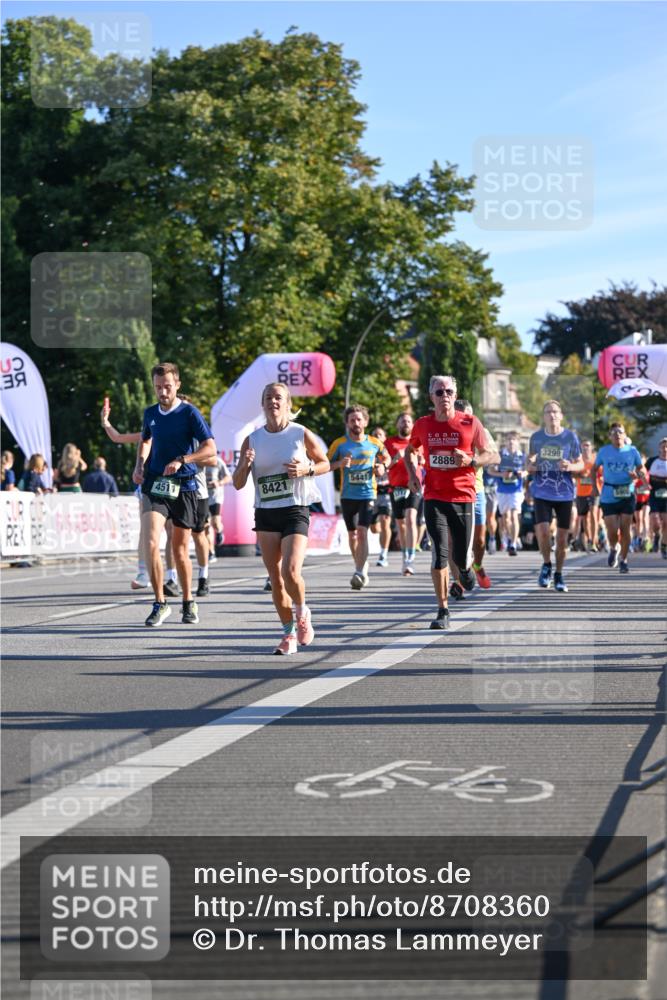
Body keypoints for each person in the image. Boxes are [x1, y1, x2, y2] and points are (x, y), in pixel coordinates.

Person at [233, 381, 329, 654]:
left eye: (278, 398)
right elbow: (238, 483)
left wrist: (307, 469)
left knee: (290, 571)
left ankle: (302, 613)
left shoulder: (300, 434)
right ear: (262, 404)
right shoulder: (252, 440)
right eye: (268, 398)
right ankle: (288, 634)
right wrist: (244, 465)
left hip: (294, 509)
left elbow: (325, 463)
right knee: (275, 577)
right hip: (265, 511)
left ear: (288, 404)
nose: (273, 402)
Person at [404, 374, 496, 630]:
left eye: (449, 392)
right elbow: (410, 449)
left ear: (455, 396)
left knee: (460, 554)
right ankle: (443, 610)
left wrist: (471, 461)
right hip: (434, 496)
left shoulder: (470, 422)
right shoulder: (423, 424)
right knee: (439, 555)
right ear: (430, 397)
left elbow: (492, 454)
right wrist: (413, 474)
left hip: (464, 496)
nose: (444, 396)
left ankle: (467, 571)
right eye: (439, 392)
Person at [133, 362, 216, 626]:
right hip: (156, 484)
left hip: (185, 485)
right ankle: (160, 602)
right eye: (158, 387)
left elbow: (210, 448)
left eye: (167, 386)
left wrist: (183, 459)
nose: (163, 392)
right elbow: (145, 440)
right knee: (150, 542)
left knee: (180, 550)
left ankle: (188, 601)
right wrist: (139, 465)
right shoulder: (150, 414)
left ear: (177, 384)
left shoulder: (190, 413)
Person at [328, 405, 389, 590]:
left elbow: (386, 457)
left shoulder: (374, 443)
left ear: (365, 421)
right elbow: (325, 465)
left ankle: (360, 571)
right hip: (347, 496)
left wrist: (382, 467)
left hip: (368, 493)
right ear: (347, 423)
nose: (356, 423)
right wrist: (339, 463)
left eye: (359, 419)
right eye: (352, 420)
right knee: (352, 535)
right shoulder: (339, 444)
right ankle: (361, 566)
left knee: (362, 532)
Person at [527, 400, 584, 593]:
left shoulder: (570, 438)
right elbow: (530, 463)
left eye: (555, 412)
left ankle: (559, 574)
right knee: (543, 532)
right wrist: (531, 465)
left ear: (561, 415)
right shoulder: (536, 437)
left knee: (561, 539)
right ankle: (546, 565)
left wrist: (570, 466)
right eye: (548, 412)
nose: (552, 415)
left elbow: (581, 464)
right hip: (542, 491)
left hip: (564, 493)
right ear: (543, 416)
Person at [449, 399, 499, 596]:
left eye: (468, 415)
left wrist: (474, 461)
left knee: (478, 541)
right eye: (460, 414)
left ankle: (477, 566)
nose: (464, 419)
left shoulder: (481, 431)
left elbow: (496, 457)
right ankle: (459, 581)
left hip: (475, 490)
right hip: (451, 490)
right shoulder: (446, 431)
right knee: (455, 540)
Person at [594, 423, 646, 575]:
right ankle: (613, 548)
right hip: (609, 493)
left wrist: (638, 475)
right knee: (612, 530)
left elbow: (641, 468)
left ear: (624, 435)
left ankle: (623, 560)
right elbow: (594, 469)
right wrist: (594, 487)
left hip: (627, 493)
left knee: (625, 529)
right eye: (614, 432)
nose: (617, 434)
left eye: (620, 432)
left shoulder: (632, 451)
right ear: (610, 436)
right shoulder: (604, 451)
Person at [386, 412, 423, 576]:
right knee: (401, 524)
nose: (406, 424)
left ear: (412, 425)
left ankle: (411, 559)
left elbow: (424, 461)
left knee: (410, 519)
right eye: (402, 421)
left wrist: (418, 460)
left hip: (414, 486)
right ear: (397, 425)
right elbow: (385, 465)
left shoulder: (418, 442)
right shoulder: (389, 442)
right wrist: (396, 457)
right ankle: (405, 555)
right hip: (396, 488)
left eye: (408, 421)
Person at [490, 431, 525, 557]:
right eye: (509, 439)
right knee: (506, 519)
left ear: (517, 442)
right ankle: (511, 537)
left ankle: (513, 544)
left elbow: (528, 470)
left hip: (516, 490)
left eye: (513, 439)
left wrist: (523, 473)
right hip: (502, 490)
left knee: (514, 516)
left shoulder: (522, 456)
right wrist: (501, 474)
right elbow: (491, 470)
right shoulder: (500, 456)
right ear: (505, 441)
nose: (511, 442)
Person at [369, 425, 393, 567]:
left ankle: (383, 554)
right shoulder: (368, 453)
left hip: (386, 492)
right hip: (371, 493)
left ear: (384, 438)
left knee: (385, 521)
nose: (377, 437)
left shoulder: (388, 455)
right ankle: (375, 525)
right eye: (374, 435)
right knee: (374, 529)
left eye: (380, 435)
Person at [573, 440, 598, 552]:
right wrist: (580, 474)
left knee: (593, 513)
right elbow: (571, 472)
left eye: (587, 445)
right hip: (581, 493)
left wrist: (595, 476)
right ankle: (589, 539)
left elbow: (603, 473)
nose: (585, 448)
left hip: (594, 491)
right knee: (584, 519)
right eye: (583, 446)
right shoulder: (578, 460)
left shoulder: (596, 459)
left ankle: (593, 542)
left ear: (591, 447)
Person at [206, 455, 232, 559]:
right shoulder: (197, 462)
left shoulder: (217, 461)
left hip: (215, 497)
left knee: (215, 522)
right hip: (202, 497)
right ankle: (211, 552)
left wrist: (218, 483)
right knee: (206, 526)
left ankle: (219, 531)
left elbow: (228, 477)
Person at [647, 437, 667, 559]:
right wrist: (644, 482)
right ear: (659, 448)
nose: (665, 449)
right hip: (654, 495)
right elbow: (641, 470)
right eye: (663, 446)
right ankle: (656, 536)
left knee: (666, 523)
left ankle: (664, 546)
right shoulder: (652, 461)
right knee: (655, 521)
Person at [633, 458, 651, 552]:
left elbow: (651, 484)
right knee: (638, 520)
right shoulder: (636, 472)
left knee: (644, 518)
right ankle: (639, 538)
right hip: (638, 499)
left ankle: (646, 537)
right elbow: (633, 483)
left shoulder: (648, 472)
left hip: (646, 499)